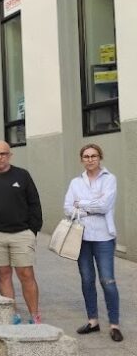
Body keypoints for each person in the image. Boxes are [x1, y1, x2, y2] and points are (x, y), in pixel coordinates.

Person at [0, 141, 42, 324]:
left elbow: (34, 203)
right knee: (3, 274)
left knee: (26, 274)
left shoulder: (22, 175)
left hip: (21, 234)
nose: (0, 157)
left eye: (3, 153)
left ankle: (35, 316)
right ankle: (12, 315)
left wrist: (33, 229)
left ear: (10, 155)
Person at [63, 144, 122, 341]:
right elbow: (67, 208)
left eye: (94, 156)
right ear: (82, 160)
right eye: (86, 156)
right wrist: (92, 205)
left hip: (104, 237)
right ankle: (93, 321)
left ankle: (114, 324)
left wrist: (81, 204)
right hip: (82, 238)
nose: (90, 159)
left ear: (100, 158)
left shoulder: (109, 179)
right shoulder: (75, 183)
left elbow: (105, 206)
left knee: (108, 281)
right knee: (87, 280)